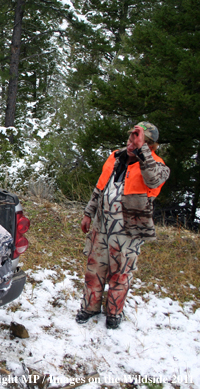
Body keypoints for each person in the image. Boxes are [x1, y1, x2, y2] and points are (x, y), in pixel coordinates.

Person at [76, 122, 170, 329]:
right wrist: (88, 213)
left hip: (129, 229)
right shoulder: (116, 158)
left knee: (120, 273)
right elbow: (100, 187)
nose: (131, 143)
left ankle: (113, 313)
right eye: (130, 139)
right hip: (102, 225)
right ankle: (90, 307)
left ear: (150, 146)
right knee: (94, 268)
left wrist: (141, 149)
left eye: (137, 140)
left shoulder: (158, 166)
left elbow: (152, 181)